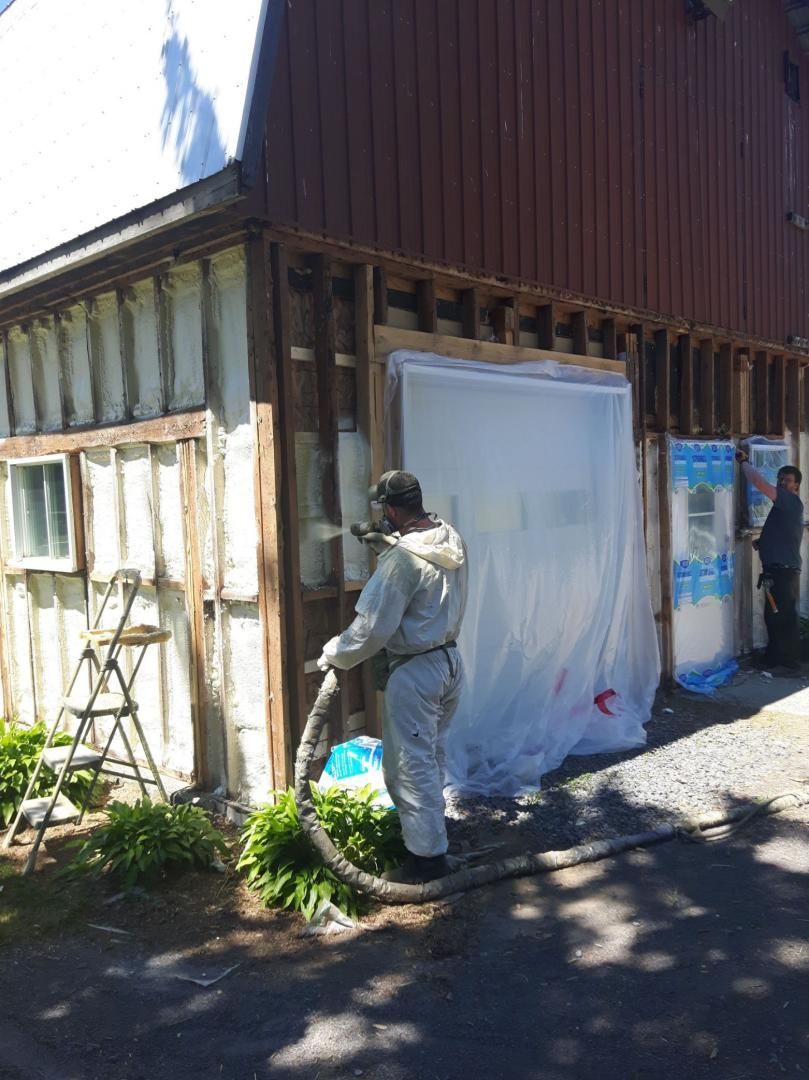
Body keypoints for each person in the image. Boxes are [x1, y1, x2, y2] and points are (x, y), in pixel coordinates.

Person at [318, 470, 468, 884]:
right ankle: (434, 840)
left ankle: (426, 863)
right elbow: (426, 573)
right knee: (431, 758)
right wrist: (389, 545)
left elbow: (372, 630)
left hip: (416, 672)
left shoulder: (402, 562)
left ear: (391, 508)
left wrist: (334, 654)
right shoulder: (448, 538)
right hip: (448, 663)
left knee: (408, 767)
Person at [736, 449, 804, 670]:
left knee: (782, 618)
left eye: (788, 480)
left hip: (783, 572)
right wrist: (763, 543)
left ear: (796, 485)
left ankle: (789, 662)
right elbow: (784, 534)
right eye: (781, 479)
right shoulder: (785, 506)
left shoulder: (789, 501)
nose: (783, 482)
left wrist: (743, 462)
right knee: (774, 617)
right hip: (778, 570)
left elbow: (760, 483)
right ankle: (775, 658)